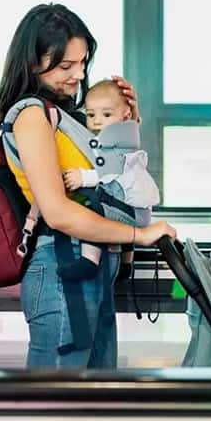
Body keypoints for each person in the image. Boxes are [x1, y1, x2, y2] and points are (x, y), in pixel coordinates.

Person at [0, 3, 177, 369]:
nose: (79, 74)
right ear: (32, 63)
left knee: (93, 390)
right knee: (58, 394)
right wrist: (139, 235)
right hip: (63, 267)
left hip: (87, 267)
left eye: (83, 62)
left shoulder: (66, 117)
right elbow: (58, 212)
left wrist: (127, 117)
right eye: (65, 66)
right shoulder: (31, 116)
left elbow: (119, 173)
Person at [61, 79, 160, 282]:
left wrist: (83, 177)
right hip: (136, 208)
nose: (97, 121)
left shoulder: (115, 141)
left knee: (93, 211)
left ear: (126, 116)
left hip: (131, 210)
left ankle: (89, 261)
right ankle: (126, 263)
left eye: (106, 115)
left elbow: (110, 169)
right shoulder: (127, 135)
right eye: (91, 115)